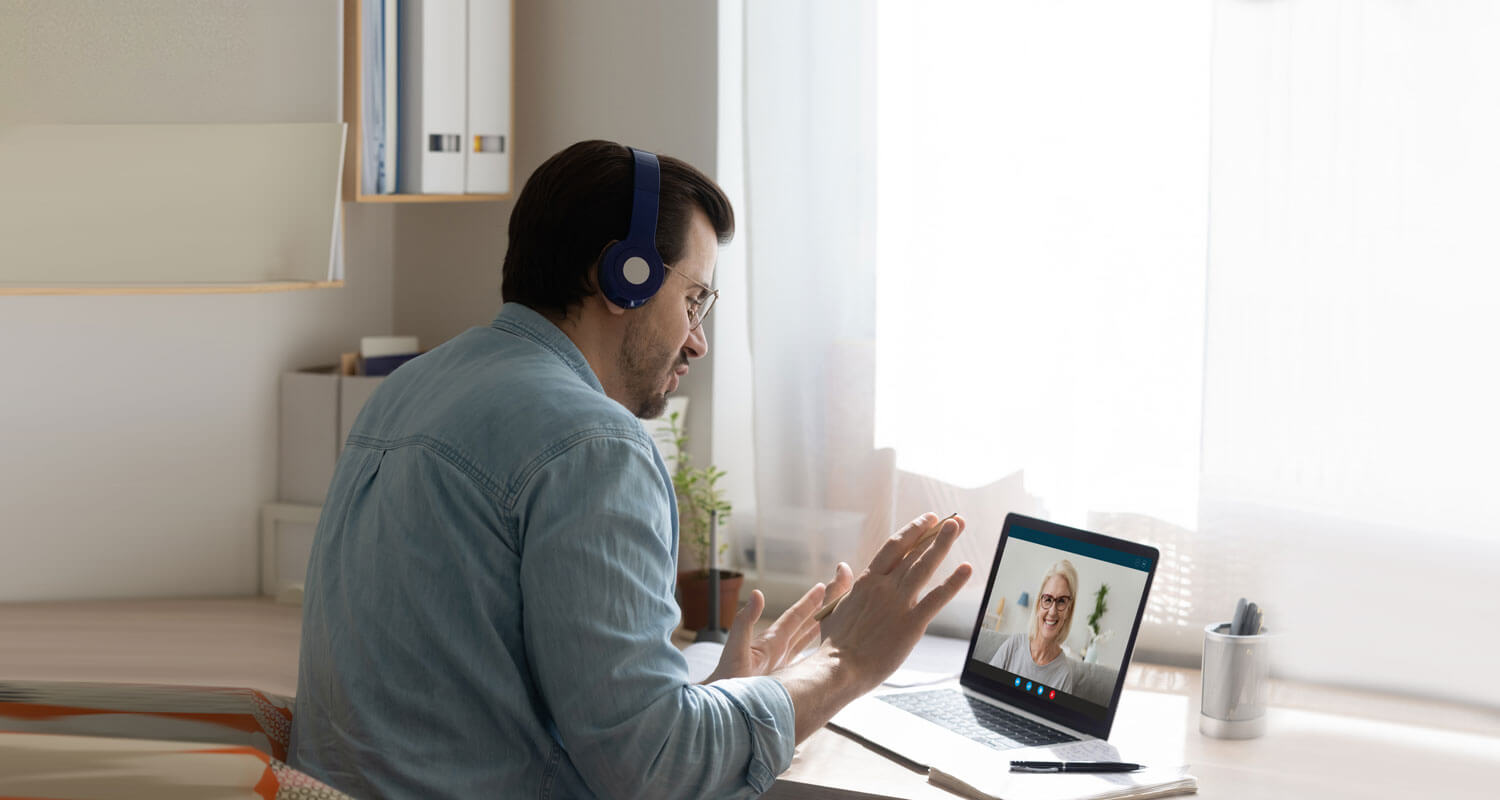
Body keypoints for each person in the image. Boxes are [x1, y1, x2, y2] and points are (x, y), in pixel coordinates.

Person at [287, 139, 973, 799]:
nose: (698, 341)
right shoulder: (593, 443)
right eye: (695, 300)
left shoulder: (413, 385)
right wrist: (845, 664)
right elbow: (653, 771)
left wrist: (707, 705)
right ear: (624, 276)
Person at [987, 560, 1082, 692]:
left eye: (1061, 601)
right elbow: (984, 687)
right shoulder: (1013, 645)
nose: (1052, 611)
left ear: (1068, 611)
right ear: (1038, 604)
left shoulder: (1063, 674)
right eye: (1048, 599)